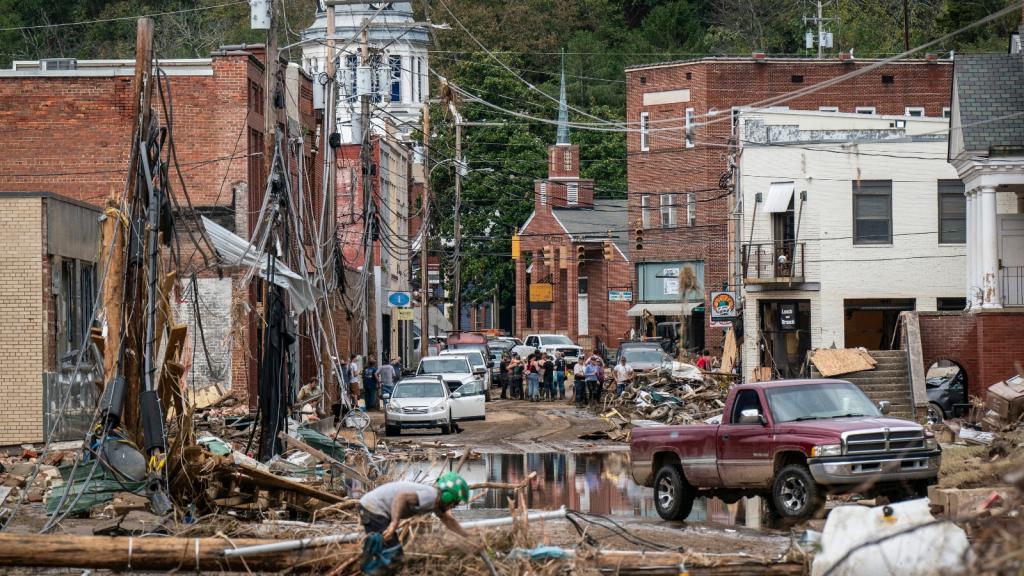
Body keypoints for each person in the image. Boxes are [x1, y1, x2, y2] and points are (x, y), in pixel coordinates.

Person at [359, 472, 473, 573]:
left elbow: (449, 521)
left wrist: (468, 537)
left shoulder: (437, 502)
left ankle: (369, 562)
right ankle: (368, 566)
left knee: (393, 557)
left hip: (374, 509)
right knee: (395, 557)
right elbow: (401, 497)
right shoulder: (431, 496)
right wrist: (394, 523)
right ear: (447, 497)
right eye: (455, 503)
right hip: (373, 509)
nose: (453, 507)